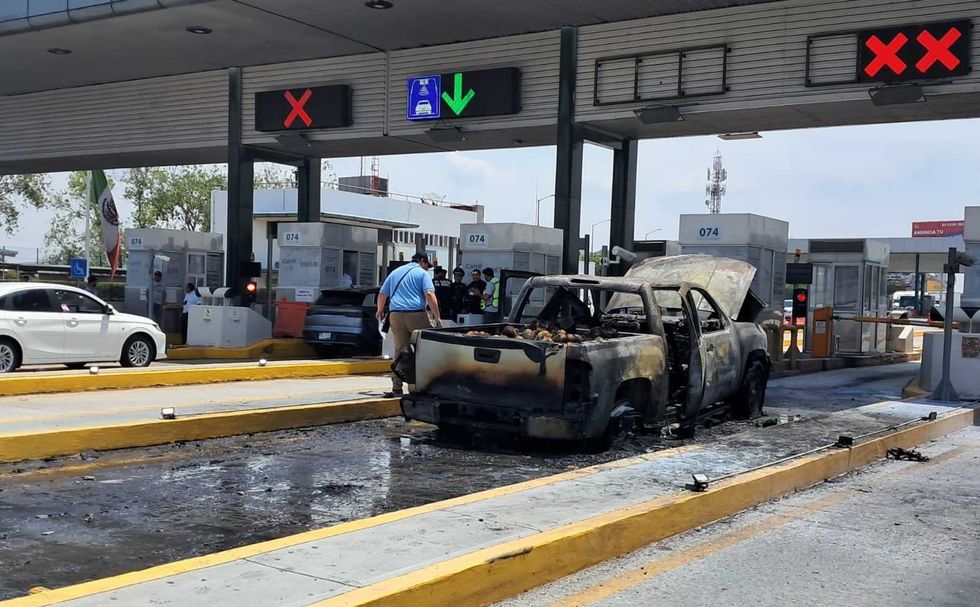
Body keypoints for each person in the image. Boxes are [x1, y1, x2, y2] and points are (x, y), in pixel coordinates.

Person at [376, 253, 442, 397]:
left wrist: (379, 310)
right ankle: (424, 386)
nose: (427, 268)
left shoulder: (395, 273)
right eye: (426, 265)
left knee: (400, 352)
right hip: (416, 315)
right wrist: (437, 316)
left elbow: (382, 294)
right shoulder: (422, 274)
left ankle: (396, 388)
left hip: (395, 315)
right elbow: (430, 295)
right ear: (422, 261)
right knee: (425, 350)